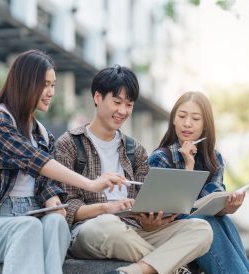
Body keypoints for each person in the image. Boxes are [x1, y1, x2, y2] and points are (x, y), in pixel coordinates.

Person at [0, 50, 126, 274]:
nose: (51, 92)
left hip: (32, 215)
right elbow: (33, 160)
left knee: (57, 223)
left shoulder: (42, 134)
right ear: (25, 83)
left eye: (53, 85)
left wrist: (53, 201)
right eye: (45, 85)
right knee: (28, 227)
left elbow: (45, 180)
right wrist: (90, 183)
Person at [54, 66, 213, 274]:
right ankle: (175, 270)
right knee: (107, 225)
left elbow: (144, 206)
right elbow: (66, 208)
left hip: (134, 232)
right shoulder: (69, 144)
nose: (123, 111)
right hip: (91, 230)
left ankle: (135, 271)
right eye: (117, 102)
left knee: (201, 229)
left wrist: (151, 222)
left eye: (128, 104)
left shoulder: (135, 149)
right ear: (97, 97)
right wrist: (107, 208)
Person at [149, 91, 249, 274]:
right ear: (173, 119)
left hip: (203, 229)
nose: (187, 123)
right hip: (169, 233)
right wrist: (188, 166)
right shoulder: (161, 158)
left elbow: (210, 201)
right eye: (182, 116)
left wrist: (227, 207)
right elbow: (169, 209)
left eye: (195, 118)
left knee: (222, 220)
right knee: (206, 222)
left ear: (205, 125)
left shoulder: (214, 159)